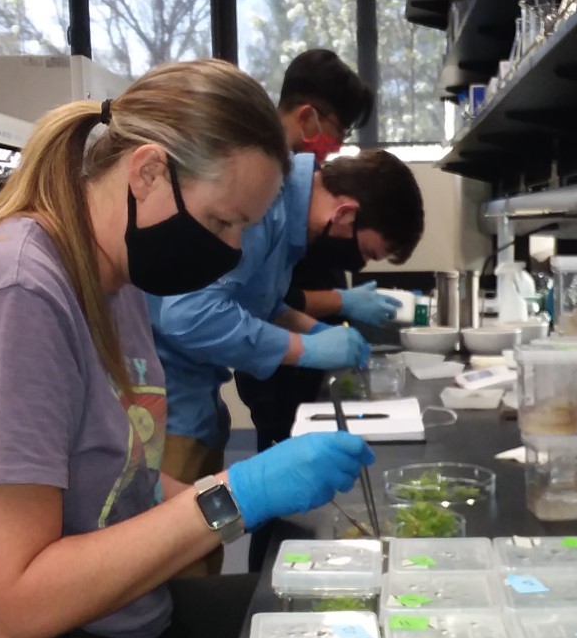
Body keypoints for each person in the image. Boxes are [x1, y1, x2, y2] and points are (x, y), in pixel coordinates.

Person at [0, 58, 374, 638]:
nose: (227, 249)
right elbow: (10, 607)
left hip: (80, 635)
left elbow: (121, 480)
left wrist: (238, 509)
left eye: (243, 230)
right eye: (222, 221)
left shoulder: (113, 282)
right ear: (148, 172)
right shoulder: (13, 294)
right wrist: (239, 492)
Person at [150, 145, 424, 495]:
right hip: (167, 399)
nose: (360, 264)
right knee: (181, 533)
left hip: (198, 393)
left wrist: (313, 329)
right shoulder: (266, 204)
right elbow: (189, 316)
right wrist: (304, 349)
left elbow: (256, 304)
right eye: (366, 252)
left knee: (205, 525)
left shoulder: (290, 218)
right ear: (345, 213)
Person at [234, 50, 404, 455]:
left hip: (249, 361)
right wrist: (310, 339)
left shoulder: (294, 186)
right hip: (242, 373)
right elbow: (204, 312)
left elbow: (264, 299)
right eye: (339, 131)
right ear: (308, 117)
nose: (337, 146)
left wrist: (314, 332)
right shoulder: (258, 190)